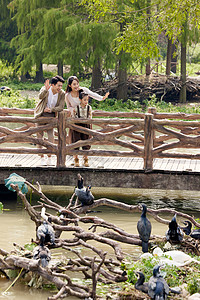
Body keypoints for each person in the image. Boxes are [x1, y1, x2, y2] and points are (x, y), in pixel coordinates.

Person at [34, 75, 65, 166]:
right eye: (58, 86)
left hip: (51, 116)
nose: (60, 88)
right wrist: (45, 90)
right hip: (41, 114)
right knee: (39, 136)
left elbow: (61, 107)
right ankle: (42, 157)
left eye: (61, 86)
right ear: (52, 85)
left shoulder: (61, 93)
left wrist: (51, 109)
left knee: (51, 137)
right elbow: (40, 97)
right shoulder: (45, 89)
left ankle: (50, 157)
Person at [71, 90, 92, 167]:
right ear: (80, 100)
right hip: (77, 126)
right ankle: (76, 159)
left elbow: (90, 116)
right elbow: (73, 116)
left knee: (86, 142)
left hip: (86, 126)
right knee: (76, 142)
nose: (86, 101)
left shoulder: (89, 107)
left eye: (87, 100)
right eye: (84, 100)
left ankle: (85, 158)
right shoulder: (76, 108)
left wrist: (88, 120)